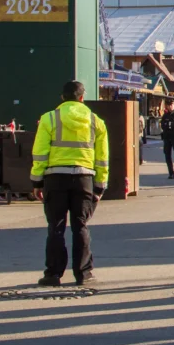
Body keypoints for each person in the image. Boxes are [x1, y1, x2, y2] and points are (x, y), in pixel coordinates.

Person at [31, 81, 109, 286]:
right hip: (84, 178)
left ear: (62, 97)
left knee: (55, 227)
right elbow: (102, 157)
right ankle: (84, 274)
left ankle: (53, 274)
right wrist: (100, 185)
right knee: (80, 225)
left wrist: (37, 182)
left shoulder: (49, 118)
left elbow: (40, 152)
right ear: (82, 97)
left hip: (55, 178)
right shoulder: (96, 121)